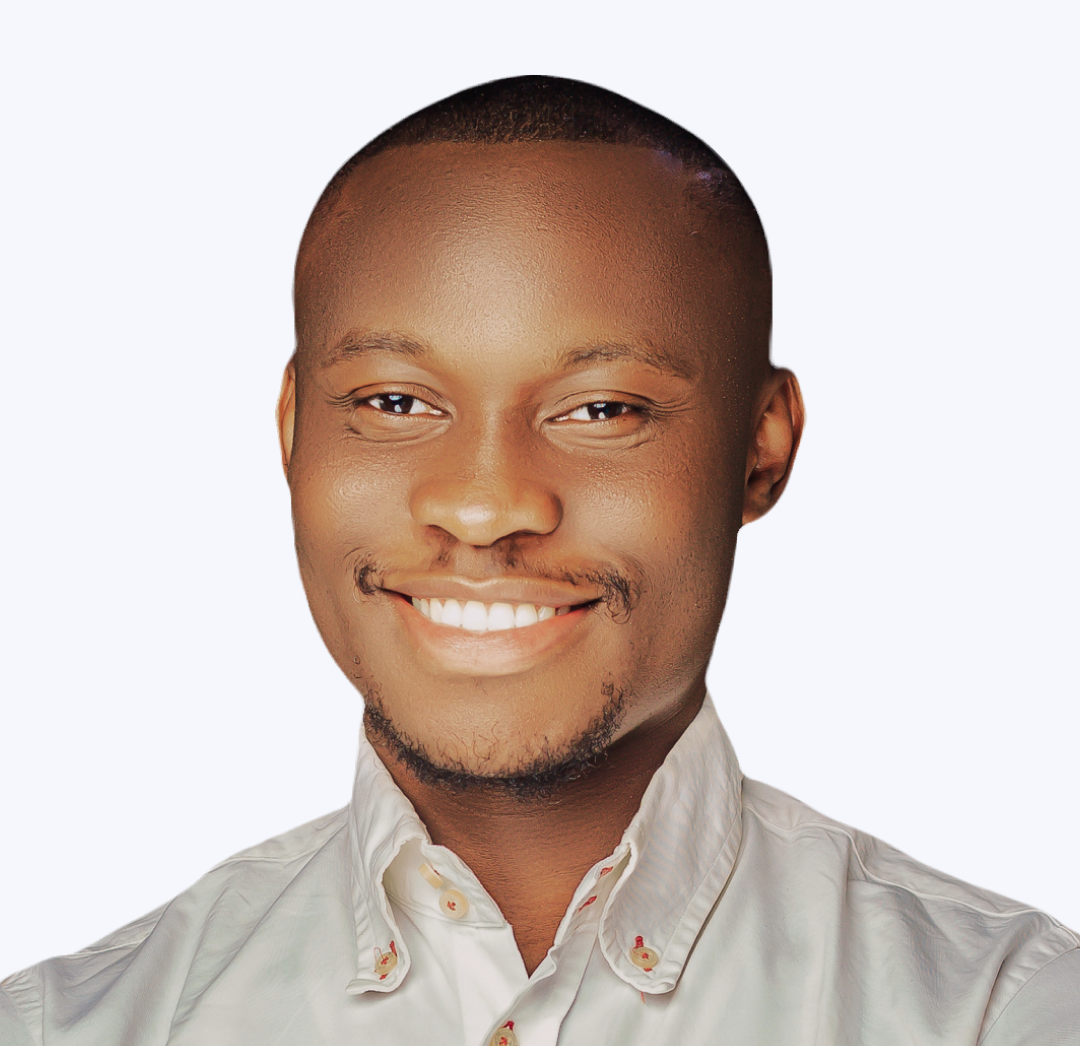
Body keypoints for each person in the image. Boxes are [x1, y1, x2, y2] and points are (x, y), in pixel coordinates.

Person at [2, 75, 1076, 1046]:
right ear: (293, 433)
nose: (483, 508)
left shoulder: (1006, 1012)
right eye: (394, 401)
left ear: (762, 447)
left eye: (603, 410)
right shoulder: (66, 1028)